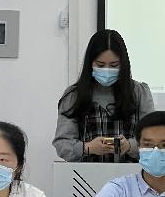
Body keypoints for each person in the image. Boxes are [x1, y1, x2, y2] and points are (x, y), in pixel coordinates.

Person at [53, 29, 154, 162]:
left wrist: (130, 146)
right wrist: (87, 147)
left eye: (114, 65)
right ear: (90, 63)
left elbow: (154, 140)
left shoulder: (139, 92)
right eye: (100, 65)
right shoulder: (74, 96)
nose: (107, 70)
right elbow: (62, 144)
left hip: (130, 172)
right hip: (86, 173)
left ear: (123, 64)